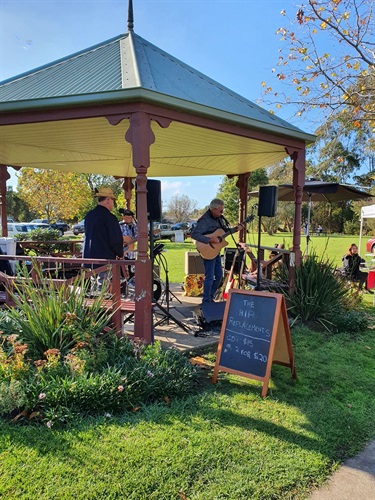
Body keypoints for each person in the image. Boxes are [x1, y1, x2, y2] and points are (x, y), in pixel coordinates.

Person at [191, 198, 238, 303]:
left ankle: (210, 296)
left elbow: (223, 232)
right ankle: (206, 300)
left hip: (216, 251)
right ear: (213, 209)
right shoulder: (205, 220)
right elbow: (194, 234)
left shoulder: (219, 218)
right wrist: (210, 239)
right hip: (207, 250)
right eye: (220, 211)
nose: (222, 213)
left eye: (223, 211)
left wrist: (235, 229)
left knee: (219, 275)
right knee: (210, 277)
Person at [83, 187, 124, 294]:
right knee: (103, 285)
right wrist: (120, 253)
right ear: (108, 200)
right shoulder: (109, 217)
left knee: (93, 283)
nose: (113, 204)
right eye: (113, 201)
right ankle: (102, 308)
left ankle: (93, 308)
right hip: (104, 256)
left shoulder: (89, 215)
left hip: (89, 256)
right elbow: (115, 239)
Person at [119, 208, 138, 279]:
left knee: (132, 272)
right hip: (122, 252)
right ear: (123, 217)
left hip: (131, 253)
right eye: (127, 218)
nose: (129, 219)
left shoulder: (134, 226)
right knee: (122, 271)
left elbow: (137, 236)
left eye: (130, 218)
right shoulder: (119, 225)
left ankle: (131, 282)